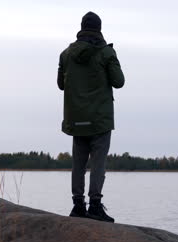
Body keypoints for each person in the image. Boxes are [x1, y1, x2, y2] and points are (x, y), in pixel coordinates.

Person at [57, 11, 125, 223]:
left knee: (78, 163)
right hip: (100, 120)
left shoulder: (66, 54)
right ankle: (95, 206)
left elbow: (61, 84)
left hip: (76, 118)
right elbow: (119, 81)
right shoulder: (106, 53)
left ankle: (78, 206)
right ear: (99, 28)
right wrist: (111, 58)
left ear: (81, 27)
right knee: (98, 163)